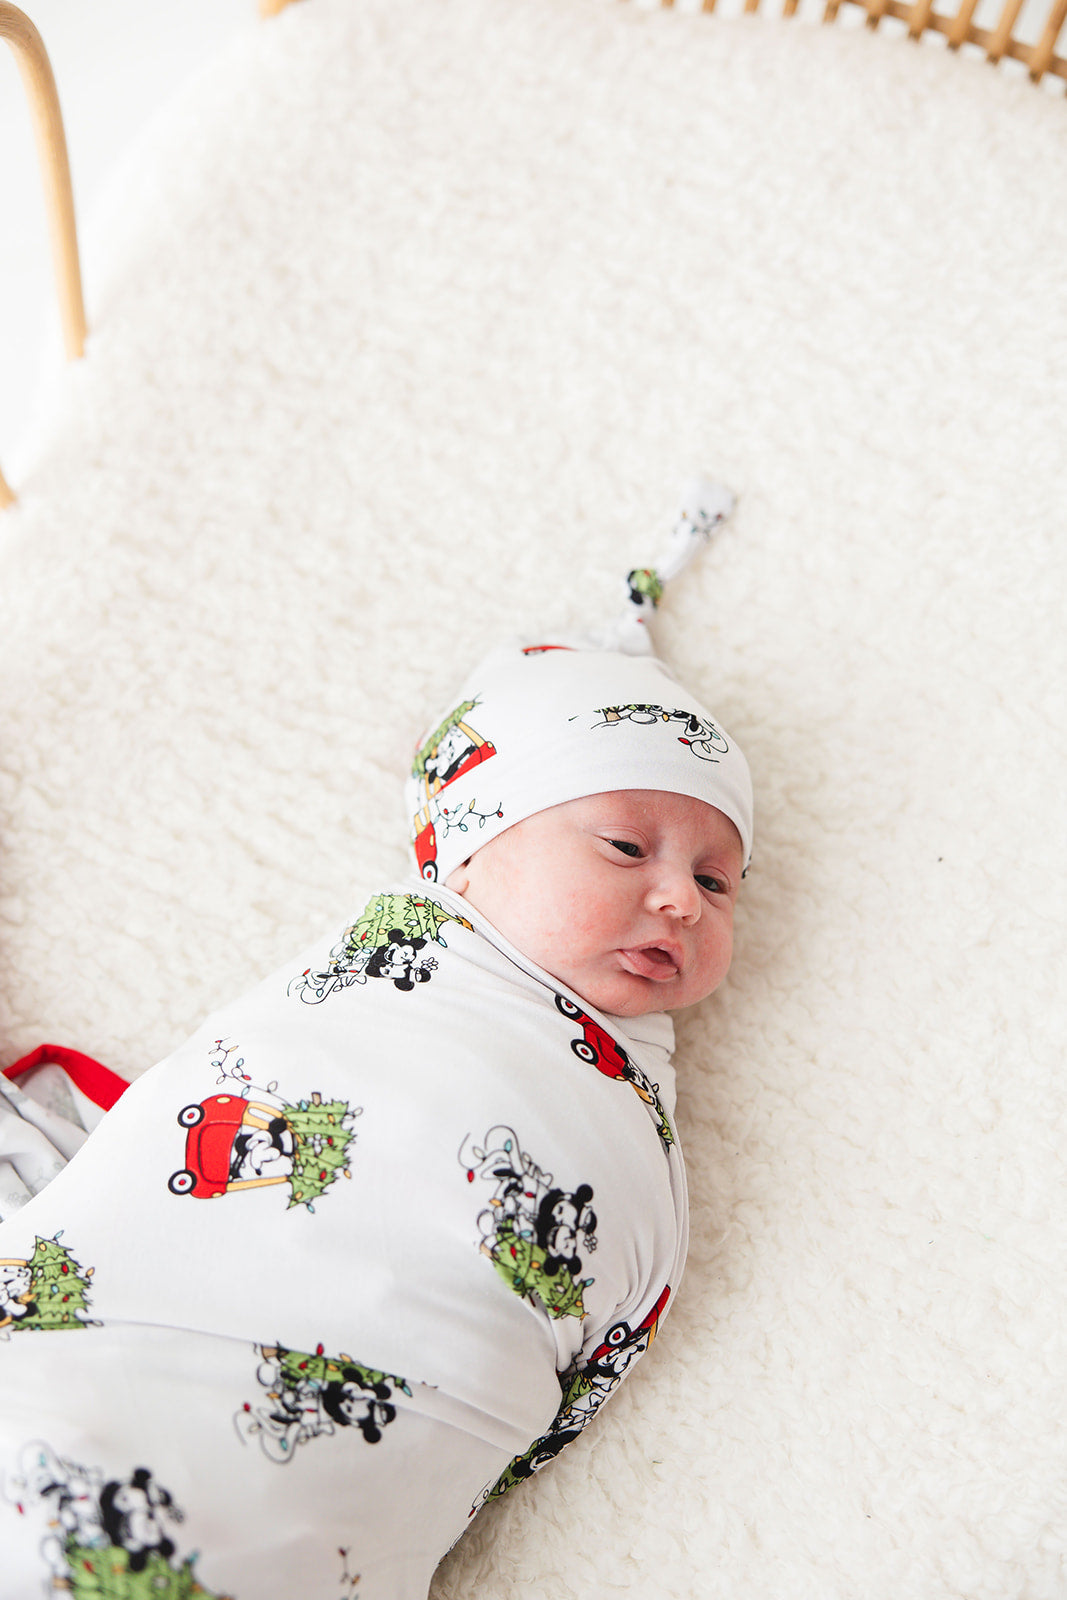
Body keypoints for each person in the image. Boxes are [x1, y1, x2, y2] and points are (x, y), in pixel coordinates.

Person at [0, 480, 753, 1600]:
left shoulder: (636, 1099)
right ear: (466, 845)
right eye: (621, 846)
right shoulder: (393, 974)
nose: (681, 901)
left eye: (713, 878)